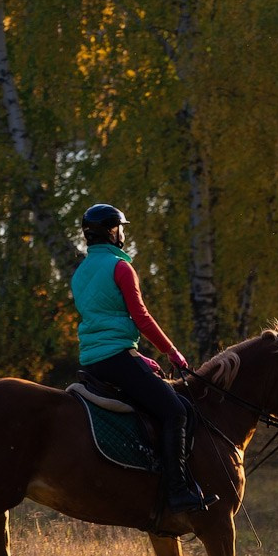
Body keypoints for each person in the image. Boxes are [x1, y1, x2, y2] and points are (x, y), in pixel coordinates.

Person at [69, 203, 218, 513]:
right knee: (177, 411)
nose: (123, 234)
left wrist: (136, 355)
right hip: (116, 358)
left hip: (93, 360)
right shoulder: (121, 268)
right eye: (120, 228)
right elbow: (141, 317)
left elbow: (102, 322)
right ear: (112, 232)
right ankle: (177, 491)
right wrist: (171, 352)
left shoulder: (79, 273)